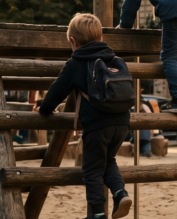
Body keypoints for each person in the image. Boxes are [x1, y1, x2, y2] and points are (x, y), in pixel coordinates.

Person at [38, 13, 133, 219]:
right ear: (100, 38)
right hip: (123, 122)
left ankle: (97, 214)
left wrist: (44, 110)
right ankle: (120, 194)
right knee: (109, 161)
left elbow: (56, 92)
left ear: (73, 41)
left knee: (91, 170)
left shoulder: (76, 63)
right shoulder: (116, 59)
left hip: (98, 126)